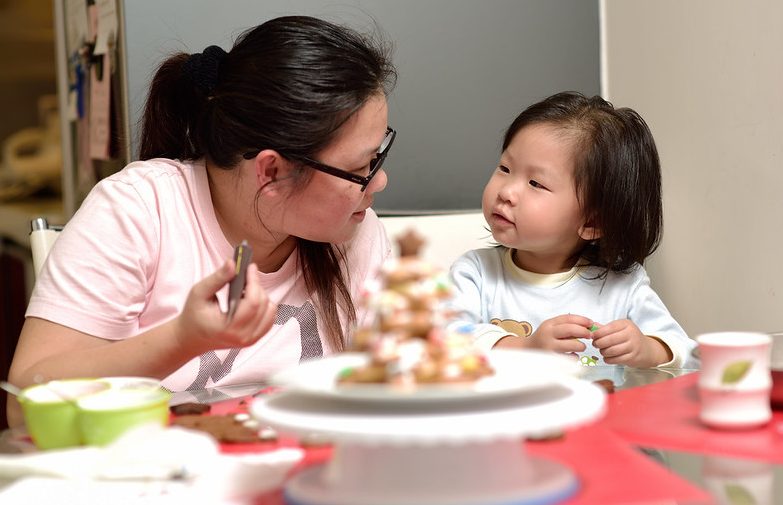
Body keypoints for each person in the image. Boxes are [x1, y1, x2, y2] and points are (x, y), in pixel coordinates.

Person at [7, 16, 397, 427]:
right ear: (271, 171)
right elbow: (24, 407)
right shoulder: (139, 209)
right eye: (362, 167)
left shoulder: (356, 234)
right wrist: (181, 340)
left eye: (379, 155)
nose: (381, 180)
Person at [449, 91, 696, 369]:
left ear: (592, 223)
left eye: (536, 183)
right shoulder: (476, 273)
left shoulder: (623, 287)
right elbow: (444, 341)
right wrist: (526, 346)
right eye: (505, 168)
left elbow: (689, 353)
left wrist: (648, 349)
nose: (507, 192)